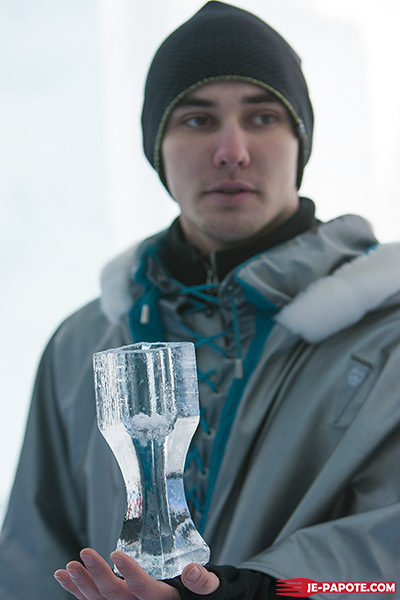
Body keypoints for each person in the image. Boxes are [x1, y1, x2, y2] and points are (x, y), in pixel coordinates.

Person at [1, 2, 399, 599]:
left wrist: (256, 591)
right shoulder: (83, 344)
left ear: (299, 142)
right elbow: (31, 561)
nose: (232, 150)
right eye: (197, 120)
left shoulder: (385, 331)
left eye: (263, 117)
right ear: (157, 147)